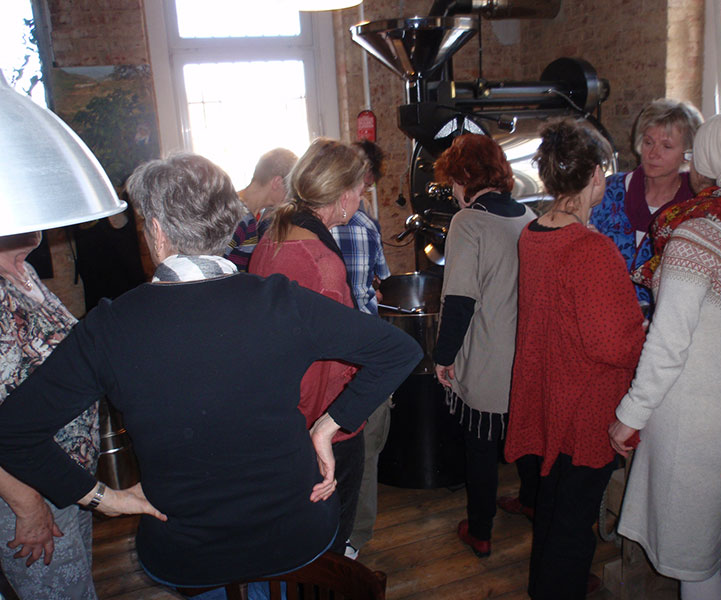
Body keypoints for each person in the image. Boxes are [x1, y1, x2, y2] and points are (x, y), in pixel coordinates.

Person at [0, 153, 422, 593]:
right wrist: (327, 427)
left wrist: (103, 499)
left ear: (157, 231)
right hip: (296, 532)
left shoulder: (110, 326)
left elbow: (12, 432)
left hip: (188, 551)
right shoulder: (282, 302)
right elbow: (399, 350)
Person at [609, 113, 721, 600]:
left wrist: (629, 416)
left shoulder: (695, 236)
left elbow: (669, 343)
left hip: (693, 428)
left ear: (705, 159)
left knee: (695, 572)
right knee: (706, 563)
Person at [507, 119, 645, 599]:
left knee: (553, 504)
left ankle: (545, 585)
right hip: (585, 404)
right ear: (594, 175)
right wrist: (646, 332)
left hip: (550, 388)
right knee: (573, 520)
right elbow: (614, 345)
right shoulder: (591, 249)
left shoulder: (533, 233)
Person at [249, 138, 370, 556]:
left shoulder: (274, 233)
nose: (362, 198)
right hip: (322, 423)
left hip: (280, 415)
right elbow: (330, 365)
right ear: (343, 197)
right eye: (360, 189)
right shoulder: (322, 265)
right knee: (329, 534)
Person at [429, 133, 533, 558]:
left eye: (453, 181)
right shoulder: (528, 215)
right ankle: (531, 501)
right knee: (526, 437)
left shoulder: (468, 222)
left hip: (489, 355)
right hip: (527, 355)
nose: (453, 191)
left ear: (465, 177)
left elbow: (459, 299)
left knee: (481, 447)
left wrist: (443, 356)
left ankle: (481, 530)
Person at [0, 231, 99, 599]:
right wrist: (26, 505)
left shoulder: (23, 272)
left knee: (81, 587)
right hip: (24, 491)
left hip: (65, 478)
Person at [330, 140, 392, 560]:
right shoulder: (364, 225)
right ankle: (354, 538)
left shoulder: (288, 227)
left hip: (322, 354)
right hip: (364, 351)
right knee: (366, 449)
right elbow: (380, 281)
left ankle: (321, 532)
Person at [590, 98, 703, 316]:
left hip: (665, 325)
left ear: (687, 152)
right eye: (649, 142)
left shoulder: (694, 208)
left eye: (667, 146)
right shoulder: (610, 189)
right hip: (603, 318)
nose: (653, 154)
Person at [225, 148, 297, 271]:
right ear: (277, 182)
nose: (291, 197)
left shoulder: (257, 216)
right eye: (291, 188)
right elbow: (213, 267)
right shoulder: (237, 216)